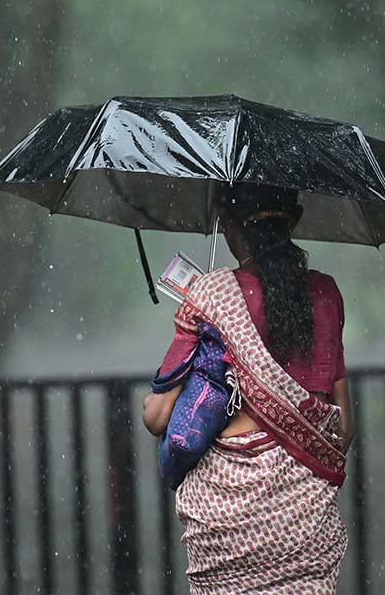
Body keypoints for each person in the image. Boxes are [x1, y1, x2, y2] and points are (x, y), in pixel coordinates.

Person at [142, 182, 354, 594]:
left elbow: (157, 417)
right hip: (304, 531)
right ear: (294, 219)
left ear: (226, 219)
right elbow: (343, 430)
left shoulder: (210, 296)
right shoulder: (325, 293)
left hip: (226, 531)